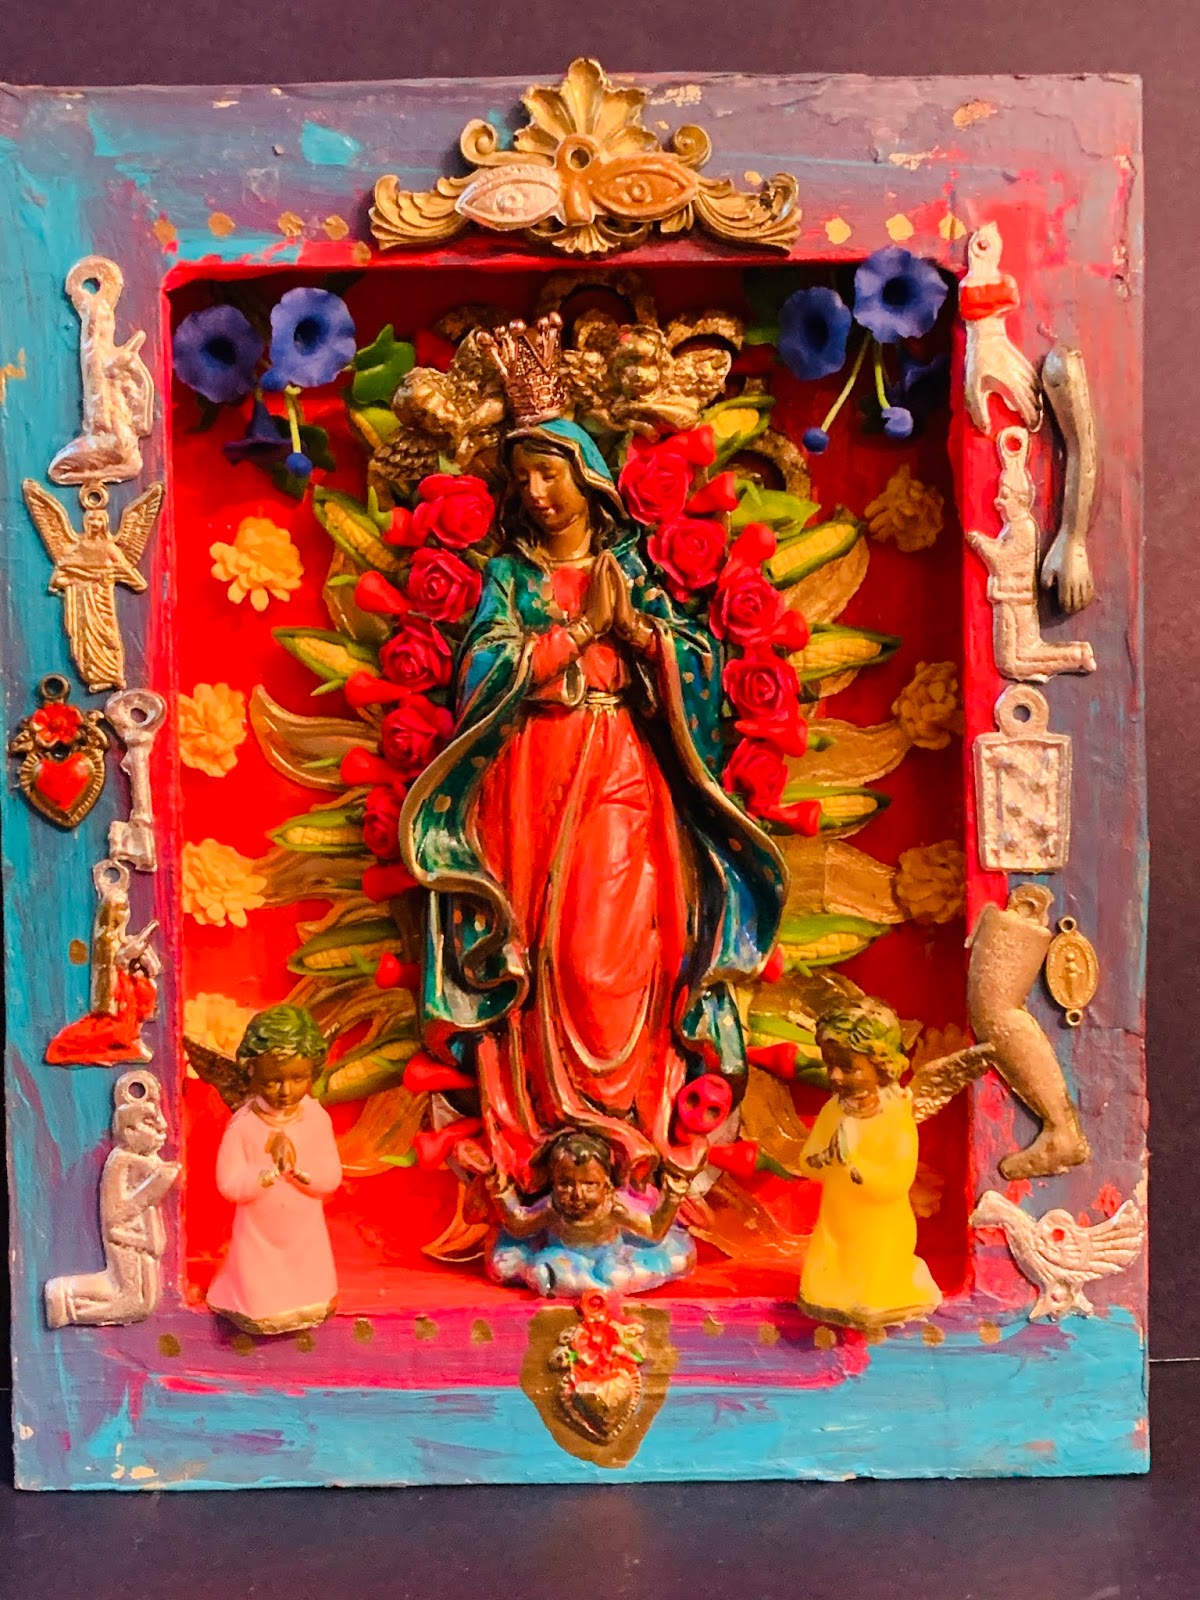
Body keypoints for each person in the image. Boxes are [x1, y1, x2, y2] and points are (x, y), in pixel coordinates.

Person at [400, 320, 785, 1218]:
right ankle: (544, 1132)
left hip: (619, 764)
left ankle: (629, 1123)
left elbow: (695, 667)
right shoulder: (510, 577)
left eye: (550, 473)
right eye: (522, 479)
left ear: (586, 475)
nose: (536, 493)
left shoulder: (631, 568)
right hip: (528, 775)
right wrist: (575, 634)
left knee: (606, 955)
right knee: (540, 950)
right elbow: (480, 674)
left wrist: (643, 635)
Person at [798, 998, 942, 1330]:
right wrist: (824, 1159)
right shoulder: (833, 1110)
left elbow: (897, 1181)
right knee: (825, 1284)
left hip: (878, 1229)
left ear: (881, 1066)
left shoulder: (895, 1117)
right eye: (830, 1065)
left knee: (870, 1291)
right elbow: (807, 1163)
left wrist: (855, 1168)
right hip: (835, 1224)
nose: (835, 1076)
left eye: (848, 1068)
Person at [205, 1005, 342, 1337]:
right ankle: (256, 1306)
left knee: (308, 1270)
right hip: (258, 1234)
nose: (285, 1091)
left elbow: (331, 1173)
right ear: (251, 1073)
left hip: (304, 1229)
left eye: (298, 1079)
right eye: (272, 1081)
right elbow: (228, 1182)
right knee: (259, 1278)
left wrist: (304, 1175)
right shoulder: (243, 1126)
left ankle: (311, 1300)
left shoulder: (316, 1119)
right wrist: (262, 1177)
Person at [487, 1130, 694, 1296]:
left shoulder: (613, 1209)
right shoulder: (553, 1210)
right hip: (564, 1257)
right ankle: (584, 1285)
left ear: (607, 1185)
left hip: (610, 1257)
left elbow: (653, 1232)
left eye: (590, 1184)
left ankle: (598, 1285)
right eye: (565, 1184)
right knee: (538, 1269)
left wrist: (672, 1196)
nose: (577, 1194)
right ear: (553, 1183)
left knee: (617, 1275)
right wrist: (501, 1193)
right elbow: (519, 1226)